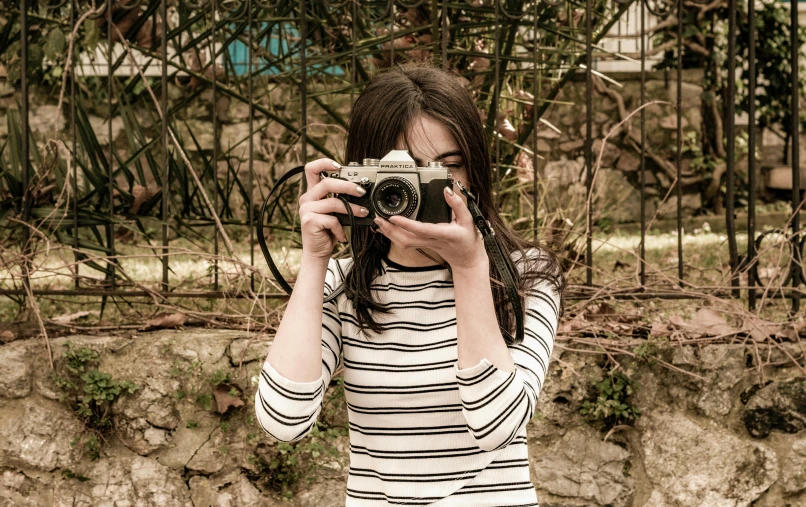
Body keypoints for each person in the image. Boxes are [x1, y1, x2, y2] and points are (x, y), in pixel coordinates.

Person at [255, 63, 565, 506]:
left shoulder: (527, 275)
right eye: (405, 173)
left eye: (447, 167)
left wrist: (471, 266)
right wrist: (315, 260)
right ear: (361, 178)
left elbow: (496, 426)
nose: (423, 190)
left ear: (475, 169)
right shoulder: (345, 288)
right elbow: (283, 421)